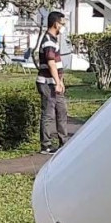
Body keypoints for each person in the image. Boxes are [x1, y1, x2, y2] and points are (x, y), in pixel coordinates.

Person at [37, 11, 68, 155]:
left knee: (62, 111)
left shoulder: (54, 39)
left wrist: (60, 81)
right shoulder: (48, 41)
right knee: (49, 114)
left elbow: (56, 63)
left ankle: (64, 141)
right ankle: (46, 145)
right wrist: (57, 81)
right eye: (62, 23)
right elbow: (51, 63)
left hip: (55, 82)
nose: (63, 26)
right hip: (47, 83)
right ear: (56, 23)